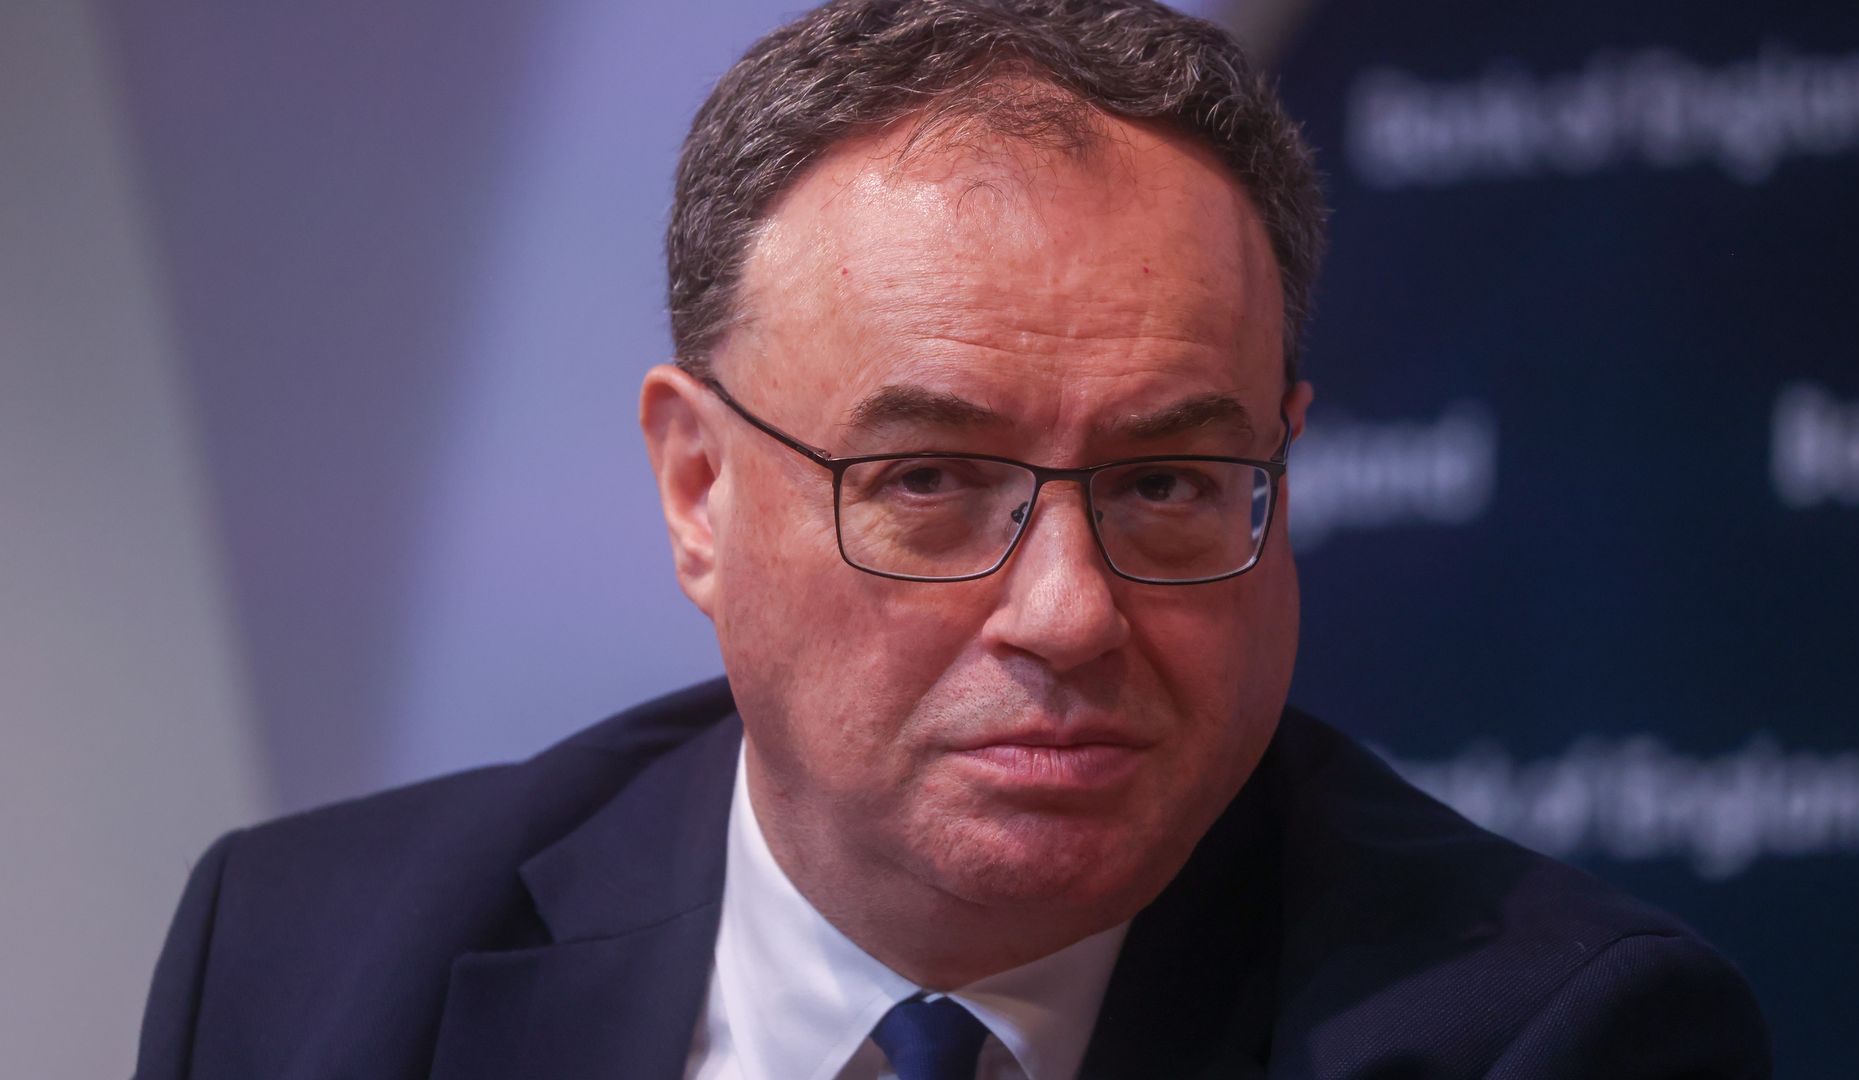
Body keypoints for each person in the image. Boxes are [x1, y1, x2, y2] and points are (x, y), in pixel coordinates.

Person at [136, 1, 1771, 1077]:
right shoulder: (304, 965)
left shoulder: (1549, 1041)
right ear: (699, 491)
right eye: (927, 482)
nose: (1068, 615)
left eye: (1167, 486)